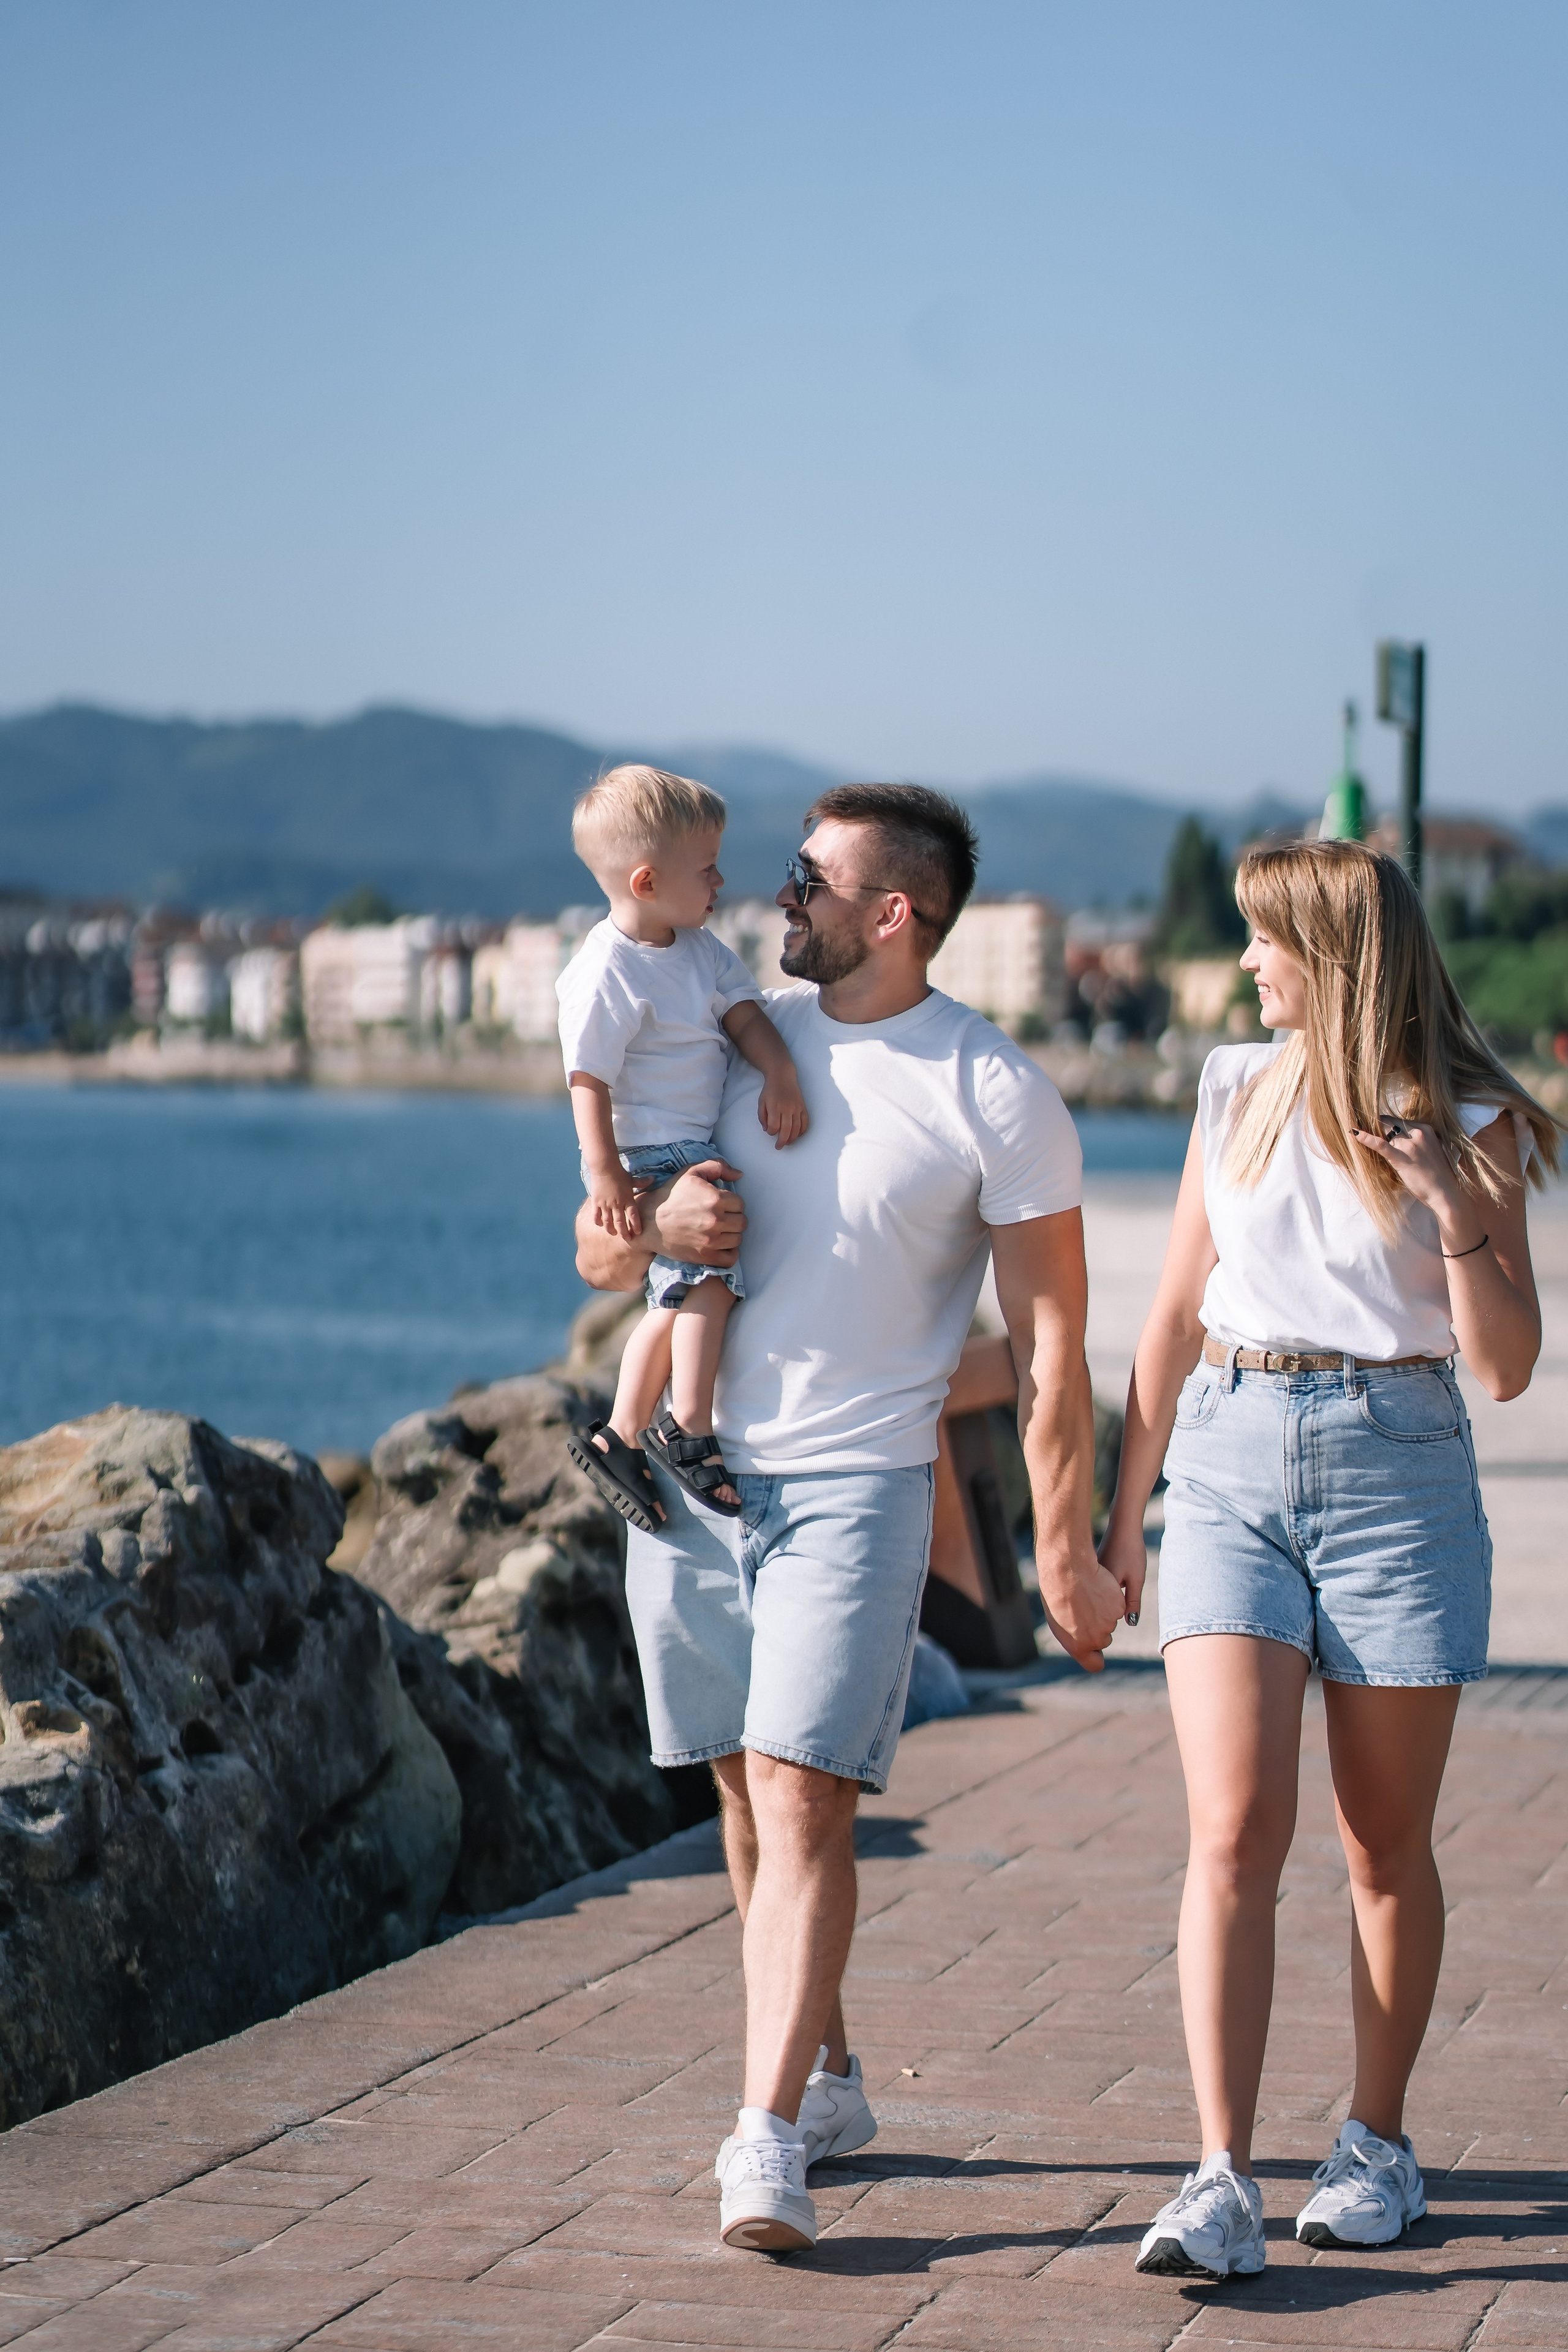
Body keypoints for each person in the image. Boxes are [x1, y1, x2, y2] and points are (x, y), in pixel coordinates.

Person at [575, 783, 1128, 2253]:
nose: (779, 895)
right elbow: (596, 1237)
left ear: (895, 910)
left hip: (855, 1485)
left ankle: (760, 2137)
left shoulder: (990, 1089)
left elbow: (1054, 1340)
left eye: (809, 878)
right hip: (695, 1484)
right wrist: (658, 1228)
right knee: (746, 1795)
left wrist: (1063, 1547)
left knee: (803, 1783)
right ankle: (821, 2074)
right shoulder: (730, 1026)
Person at [1097, 839, 1559, 2282]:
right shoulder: (1231, 1087)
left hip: (1395, 1465)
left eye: (1261, 940)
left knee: (1376, 1844)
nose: (1243, 963)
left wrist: (1449, 1204)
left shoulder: (1469, 1119)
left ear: (1332, 952)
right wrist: (1125, 1510)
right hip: (1227, 1452)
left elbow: (1503, 1369)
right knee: (1230, 1830)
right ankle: (1220, 2173)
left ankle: (1373, 2141)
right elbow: (1171, 1312)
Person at [558, 766, 809, 1526]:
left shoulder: (700, 951)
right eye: (706, 870)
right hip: (654, 1158)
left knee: (679, 1297)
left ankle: (627, 1430)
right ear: (645, 880)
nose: (722, 882)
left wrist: (780, 1070)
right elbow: (588, 1079)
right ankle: (684, 1424)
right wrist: (603, 1174)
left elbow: (745, 1016)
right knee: (705, 1288)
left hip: (691, 1148)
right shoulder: (606, 969)